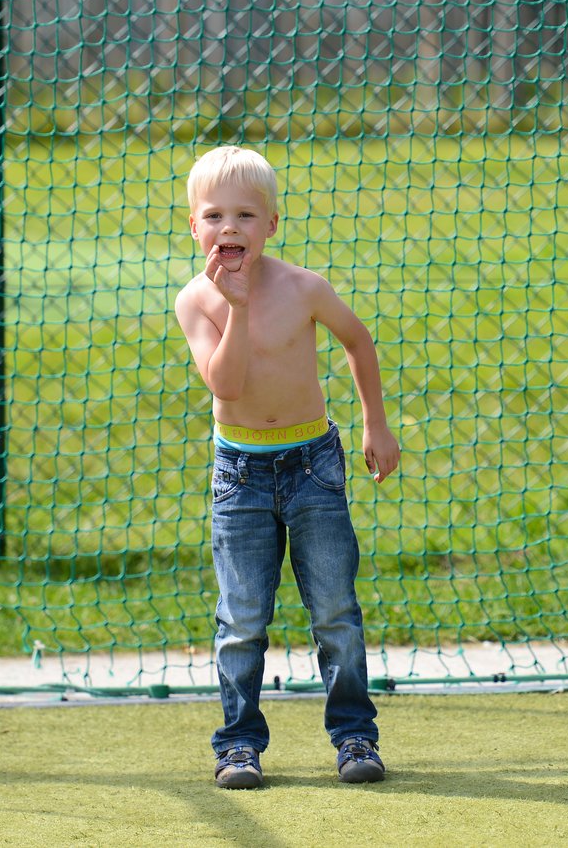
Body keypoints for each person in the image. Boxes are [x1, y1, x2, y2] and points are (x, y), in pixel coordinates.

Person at [174, 146, 401, 789]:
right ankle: (238, 745)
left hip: (314, 465)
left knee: (333, 609)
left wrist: (374, 423)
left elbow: (357, 339)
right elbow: (228, 384)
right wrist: (238, 307)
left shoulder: (304, 288)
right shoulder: (196, 301)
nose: (230, 229)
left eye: (246, 215)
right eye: (214, 216)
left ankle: (355, 735)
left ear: (271, 223)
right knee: (242, 619)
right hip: (240, 471)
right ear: (193, 226)